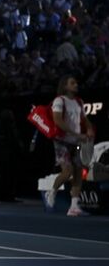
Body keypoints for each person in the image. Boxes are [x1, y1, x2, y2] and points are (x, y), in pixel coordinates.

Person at [45, 75, 95, 216]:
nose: (76, 85)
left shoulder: (79, 102)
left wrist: (89, 129)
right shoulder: (59, 101)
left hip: (76, 143)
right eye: (72, 83)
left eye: (76, 82)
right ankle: (52, 191)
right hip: (61, 141)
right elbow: (57, 121)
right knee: (67, 171)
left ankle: (73, 207)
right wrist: (76, 134)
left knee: (78, 174)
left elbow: (85, 120)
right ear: (65, 86)